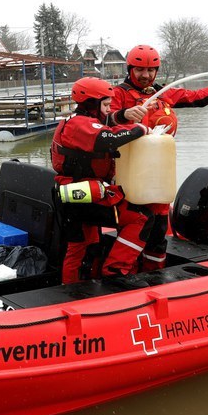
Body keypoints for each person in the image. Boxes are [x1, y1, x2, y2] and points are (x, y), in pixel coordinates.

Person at [105, 44, 208, 275]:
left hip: (159, 169)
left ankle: (154, 272)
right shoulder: (118, 94)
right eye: (140, 70)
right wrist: (122, 115)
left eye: (151, 70)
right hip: (131, 171)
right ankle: (119, 275)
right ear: (130, 69)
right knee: (138, 226)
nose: (146, 75)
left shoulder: (162, 93)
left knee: (159, 229)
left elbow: (198, 98)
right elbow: (102, 123)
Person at [51, 78, 148, 283]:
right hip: (81, 197)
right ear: (91, 104)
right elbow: (108, 139)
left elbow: (104, 124)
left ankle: (78, 287)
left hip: (76, 195)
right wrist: (141, 129)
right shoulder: (79, 125)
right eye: (105, 105)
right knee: (140, 218)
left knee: (85, 245)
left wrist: (123, 115)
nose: (107, 110)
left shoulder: (76, 120)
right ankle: (116, 271)